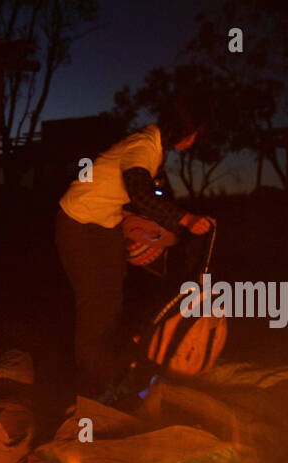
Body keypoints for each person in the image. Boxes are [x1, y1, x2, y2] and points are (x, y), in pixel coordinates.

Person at [54, 90, 215, 402]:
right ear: (183, 131)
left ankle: (110, 378)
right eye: (194, 134)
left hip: (104, 224)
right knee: (95, 307)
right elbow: (140, 193)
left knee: (112, 302)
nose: (194, 141)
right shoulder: (143, 146)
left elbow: (147, 196)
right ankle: (91, 390)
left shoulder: (155, 149)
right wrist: (185, 219)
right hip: (78, 224)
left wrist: (173, 223)